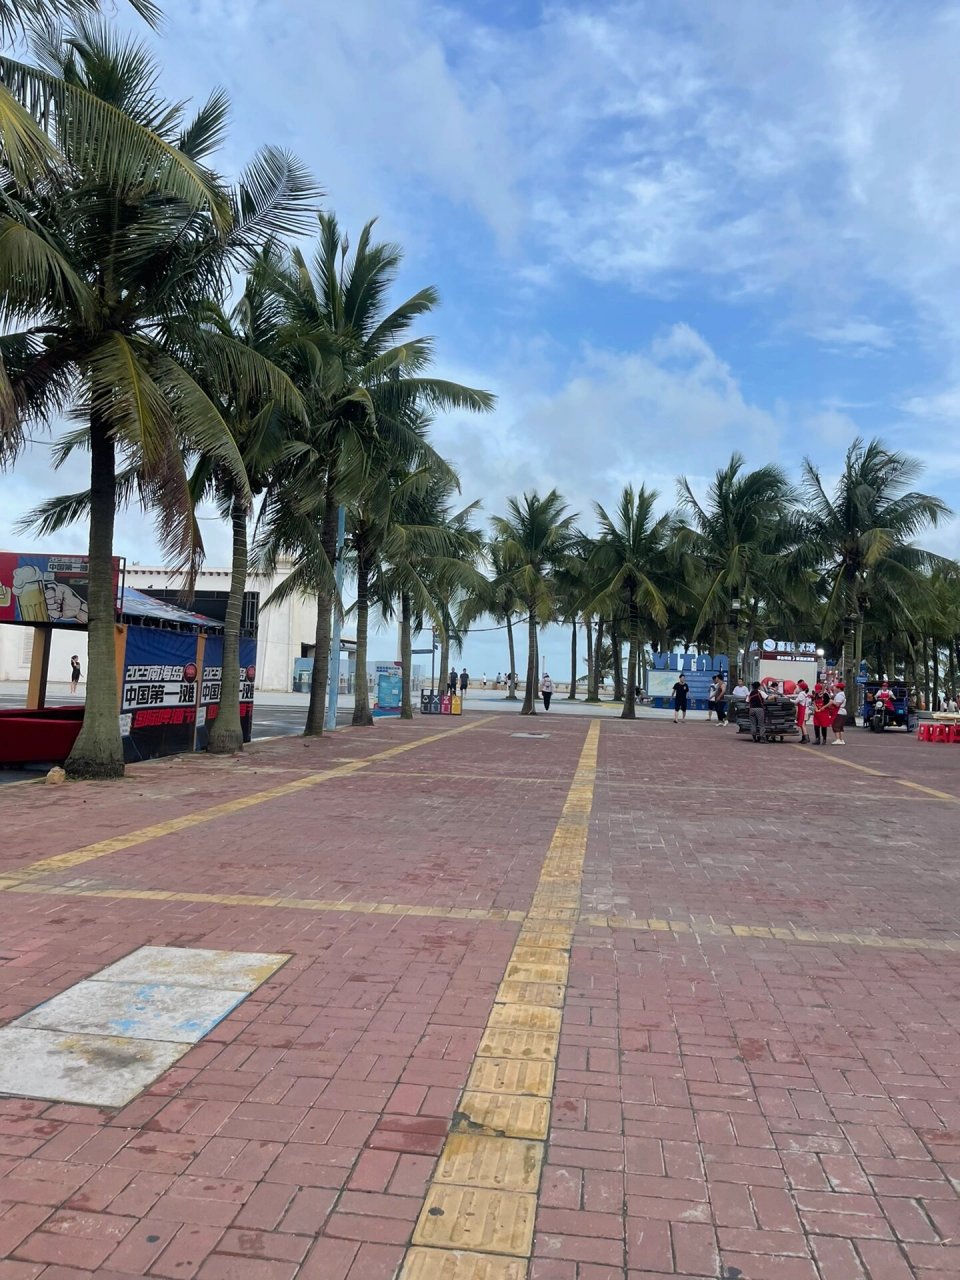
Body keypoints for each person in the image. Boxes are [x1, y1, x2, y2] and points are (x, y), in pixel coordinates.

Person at [793, 679, 810, 743]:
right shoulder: (804, 694)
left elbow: (796, 701)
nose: (798, 688)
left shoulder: (801, 694)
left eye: (799, 687)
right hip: (805, 710)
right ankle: (804, 737)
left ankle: (806, 738)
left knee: (803, 725)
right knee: (803, 725)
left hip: (803, 711)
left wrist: (789, 700)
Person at [831, 681, 847, 745]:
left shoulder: (839, 695)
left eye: (836, 687)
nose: (835, 688)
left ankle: (837, 739)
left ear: (839, 688)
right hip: (842, 712)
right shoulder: (843, 694)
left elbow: (837, 704)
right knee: (841, 727)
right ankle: (841, 739)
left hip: (839, 712)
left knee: (836, 725)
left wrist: (832, 701)